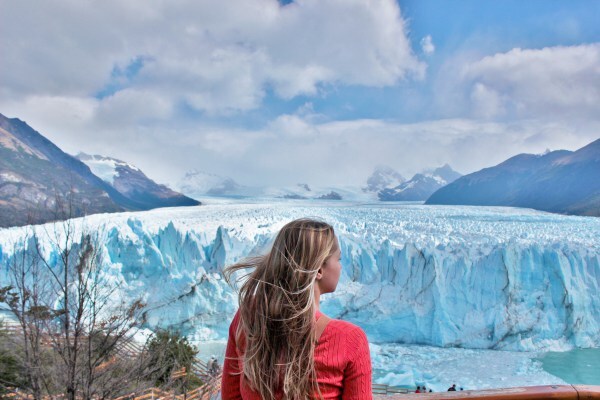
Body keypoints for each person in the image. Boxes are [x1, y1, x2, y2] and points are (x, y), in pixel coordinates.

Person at [221, 219, 372, 400]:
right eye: (338, 259)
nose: (340, 266)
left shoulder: (248, 317)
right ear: (318, 270)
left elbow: (231, 396)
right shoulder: (349, 340)